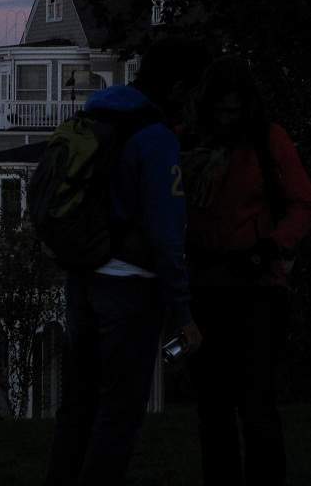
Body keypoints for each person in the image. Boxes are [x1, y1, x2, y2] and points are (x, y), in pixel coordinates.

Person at [43, 81, 187, 485]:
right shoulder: (155, 137)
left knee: (77, 402)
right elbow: (166, 231)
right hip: (131, 284)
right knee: (119, 411)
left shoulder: (95, 120)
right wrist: (182, 307)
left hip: (83, 274)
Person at [190, 86, 307, 484]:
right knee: (214, 405)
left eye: (232, 111)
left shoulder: (267, 140)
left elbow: (301, 201)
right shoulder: (194, 141)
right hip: (209, 286)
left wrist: (274, 245)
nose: (226, 119)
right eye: (220, 110)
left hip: (257, 285)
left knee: (256, 401)